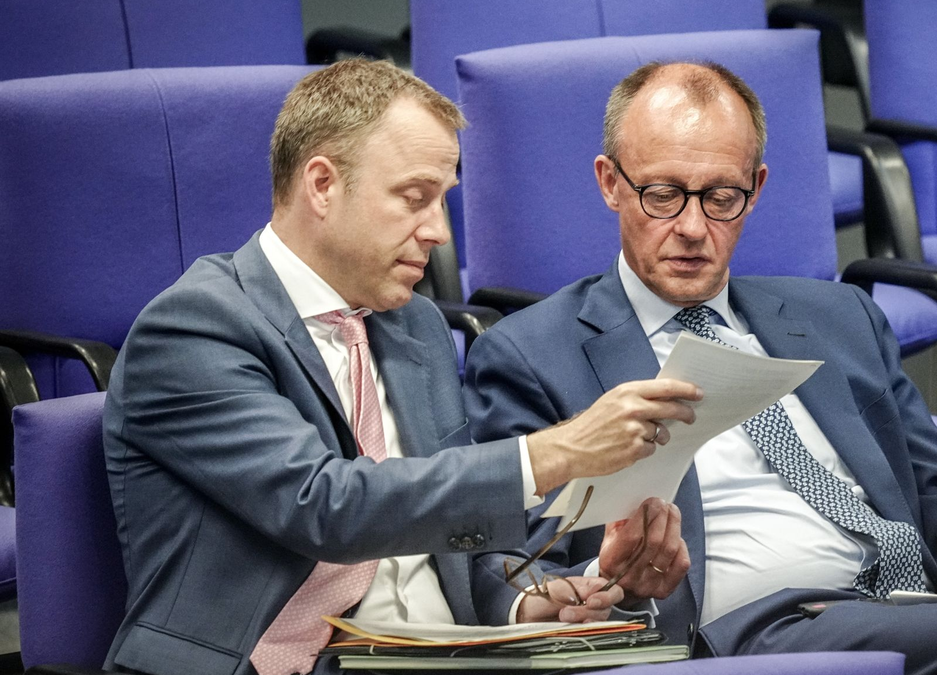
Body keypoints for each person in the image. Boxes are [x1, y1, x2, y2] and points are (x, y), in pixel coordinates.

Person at [463, 61, 937, 675]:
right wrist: (584, 590)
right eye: (663, 195)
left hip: (916, 614)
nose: (692, 226)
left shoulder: (840, 317)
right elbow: (502, 562)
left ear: (757, 189)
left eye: (721, 197)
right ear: (610, 182)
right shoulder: (532, 354)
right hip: (741, 635)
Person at [101, 59, 702, 675]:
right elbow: (324, 508)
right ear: (322, 185)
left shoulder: (412, 324)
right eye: (415, 197)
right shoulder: (194, 328)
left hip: (438, 657)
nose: (440, 231)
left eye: (443, 200)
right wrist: (558, 452)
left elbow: (448, 537)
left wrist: (527, 602)